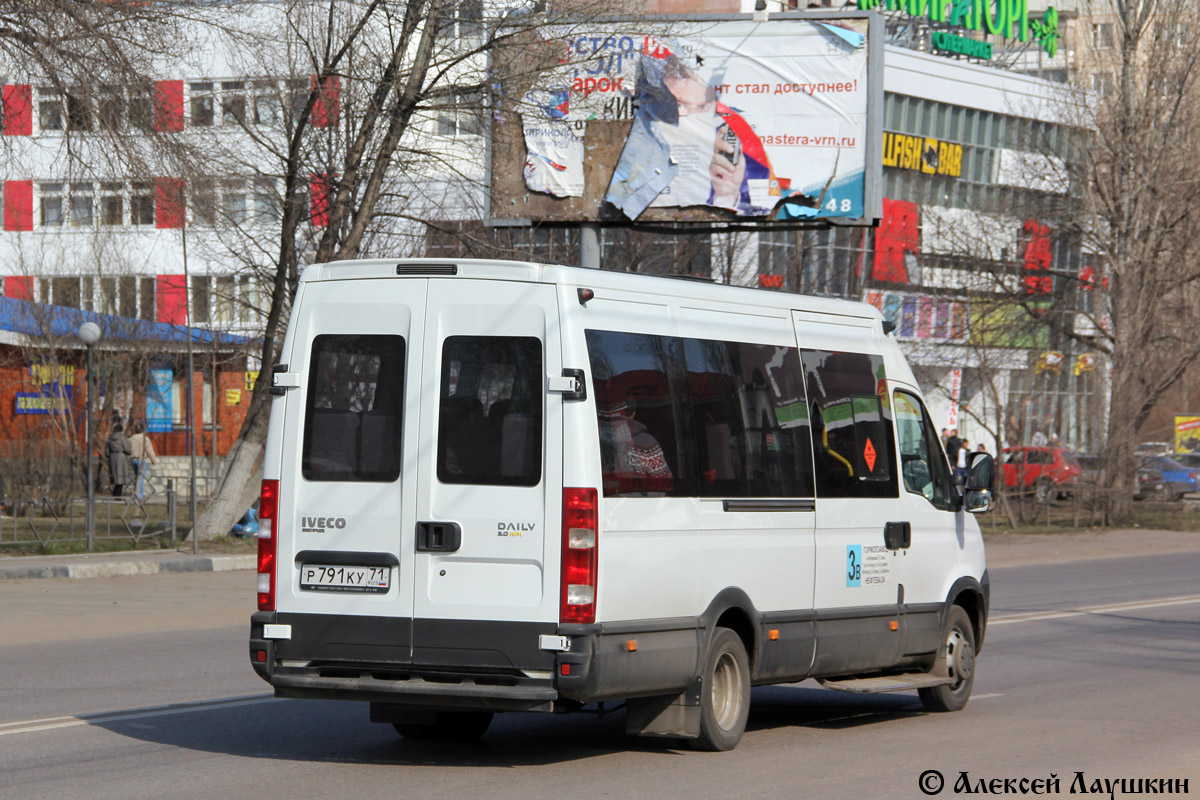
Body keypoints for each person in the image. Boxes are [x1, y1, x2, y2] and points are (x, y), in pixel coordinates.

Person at [597, 398, 673, 495]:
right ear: (632, 415)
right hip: (640, 506)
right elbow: (664, 484)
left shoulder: (587, 441)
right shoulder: (647, 443)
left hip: (602, 506)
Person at [127, 421, 158, 501]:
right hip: (142, 459)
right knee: (140, 478)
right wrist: (153, 460)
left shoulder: (131, 439)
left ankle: (135, 494)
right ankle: (139, 495)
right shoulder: (145, 439)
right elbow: (149, 450)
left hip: (133, 459)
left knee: (136, 477)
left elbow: (128, 449)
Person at [107, 423, 135, 498]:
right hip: (121, 457)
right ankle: (117, 495)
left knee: (115, 476)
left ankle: (116, 494)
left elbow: (107, 451)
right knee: (121, 476)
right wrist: (129, 451)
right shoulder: (122, 438)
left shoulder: (109, 438)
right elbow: (126, 448)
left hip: (112, 457)